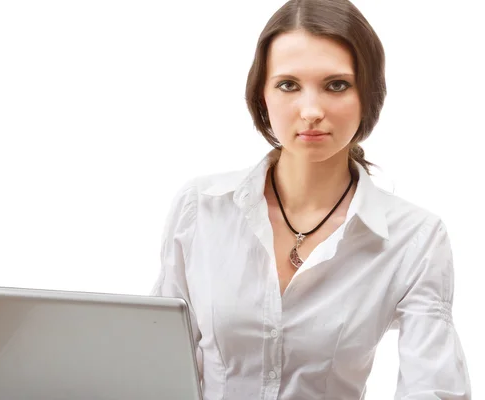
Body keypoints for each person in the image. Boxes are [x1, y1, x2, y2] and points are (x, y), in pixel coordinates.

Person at [150, 0, 471, 398]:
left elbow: (434, 389)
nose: (312, 110)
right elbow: (157, 363)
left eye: (337, 85)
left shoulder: (416, 238)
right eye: (288, 85)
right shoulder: (201, 206)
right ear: (261, 94)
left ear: (367, 94)